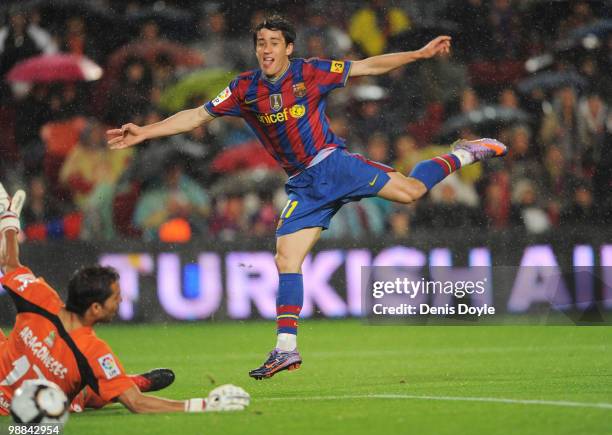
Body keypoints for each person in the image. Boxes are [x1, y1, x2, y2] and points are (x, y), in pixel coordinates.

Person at [107, 16, 508, 379]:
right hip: (302, 183)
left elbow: (368, 66)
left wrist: (419, 54)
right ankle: (286, 349)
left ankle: (464, 151)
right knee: (286, 258)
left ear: (289, 48)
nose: (266, 49)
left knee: (412, 192)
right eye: (260, 42)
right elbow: (196, 115)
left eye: (274, 42)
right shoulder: (244, 89)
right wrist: (144, 132)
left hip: (332, 164)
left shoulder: (311, 72)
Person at [0, 184, 250, 414]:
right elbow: (137, 403)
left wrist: (9, 224)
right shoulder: (94, 353)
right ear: (95, 308)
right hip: (29, 407)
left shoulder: (41, 298)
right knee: (83, 392)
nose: (120, 302)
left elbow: (10, 264)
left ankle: (118, 382)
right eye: (115, 297)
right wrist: (206, 404)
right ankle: (126, 382)